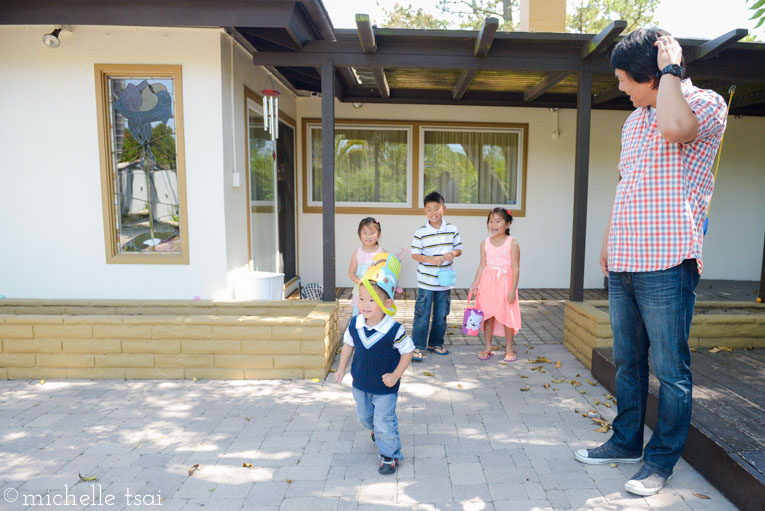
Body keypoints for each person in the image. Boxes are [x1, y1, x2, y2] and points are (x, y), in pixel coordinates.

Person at [574, 29, 728, 497]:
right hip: (624, 257)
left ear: (652, 75)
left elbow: (677, 130)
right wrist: (606, 240)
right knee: (627, 362)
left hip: (666, 259)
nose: (620, 87)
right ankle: (625, 443)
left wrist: (671, 72)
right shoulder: (633, 121)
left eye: (625, 79)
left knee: (671, 369)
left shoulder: (704, 104)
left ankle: (660, 461)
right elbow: (626, 186)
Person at [335, 253, 414, 475]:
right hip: (360, 383)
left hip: (385, 387)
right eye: (361, 299)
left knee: (384, 421)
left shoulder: (393, 330)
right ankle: (377, 431)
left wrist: (396, 375)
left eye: (372, 300)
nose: (365, 305)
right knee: (364, 417)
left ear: (387, 303)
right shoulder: (355, 324)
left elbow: (407, 352)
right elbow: (348, 346)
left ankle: (390, 455)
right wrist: (341, 369)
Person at [410, 191, 463, 362]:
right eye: (429, 209)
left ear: (444, 208)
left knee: (441, 315)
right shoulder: (421, 231)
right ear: (424, 212)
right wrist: (430, 260)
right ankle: (417, 346)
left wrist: (453, 253)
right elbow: (415, 254)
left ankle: (435, 343)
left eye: (436, 208)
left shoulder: (452, 229)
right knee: (422, 315)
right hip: (426, 281)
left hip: (445, 281)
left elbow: (459, 249)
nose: (433, 213)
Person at [469, 208, 521, 362]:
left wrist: (513, 289)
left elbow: (516, 268)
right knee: (487, 316)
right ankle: (487, 347)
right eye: (491, 221)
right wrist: (475, 284)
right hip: (488, 284)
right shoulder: (484, 243)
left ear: (508, 224)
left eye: (498, 221)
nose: (493, 224)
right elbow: (482, 265)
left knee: (506, 316)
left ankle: (509, 348)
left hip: (505, 283)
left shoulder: (513, 243)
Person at [348, 217, 385, 316]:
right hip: (360, 291)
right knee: (358, 315)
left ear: (378, 234)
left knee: (375, 315)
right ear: (359, 234)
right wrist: (359, 282)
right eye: (365, 233)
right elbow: (351, 272)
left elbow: (386, 272)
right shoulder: (357, 252)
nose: (368, 236)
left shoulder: (382, 252)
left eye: (372, 233)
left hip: (376, 291)